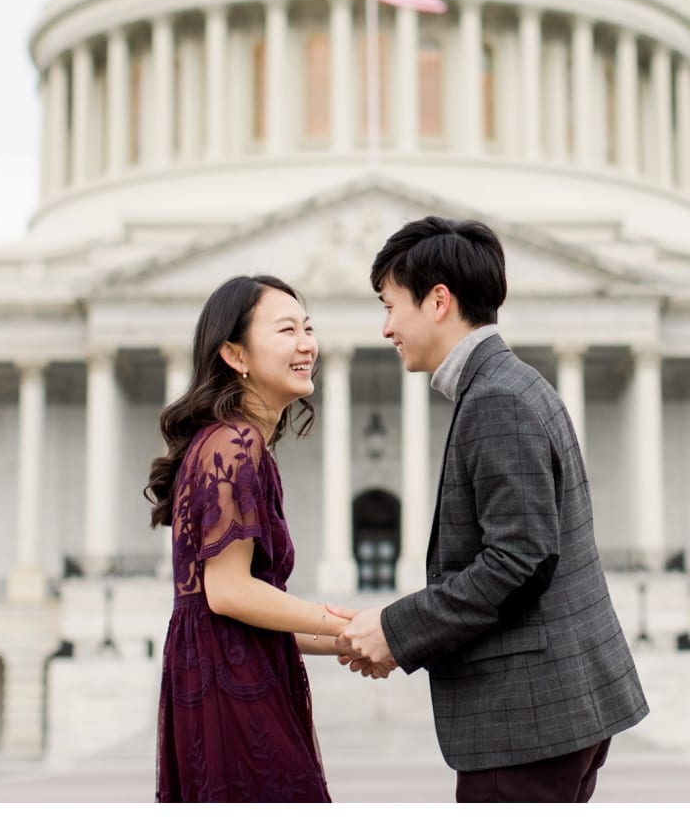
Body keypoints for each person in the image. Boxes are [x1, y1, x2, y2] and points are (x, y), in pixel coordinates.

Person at [332, 216, 649, 802]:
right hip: (550, 710)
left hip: (526, 717)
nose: (384, 328)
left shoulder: (496, 400)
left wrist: (399, 630)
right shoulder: (511, 384)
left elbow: (518, 560)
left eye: (390, 305)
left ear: (438, 301)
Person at [146, 274, 377, 803]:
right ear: (235, 354)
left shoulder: (226, 442)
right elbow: (228, 594)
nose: (307, 344)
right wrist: (346, 619)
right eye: (286, 330)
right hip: (235, 691)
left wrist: (350, 639)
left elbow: (234, 619)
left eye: (309, 328)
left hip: (219, 671)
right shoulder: (235, 441)